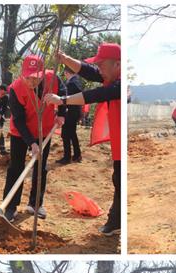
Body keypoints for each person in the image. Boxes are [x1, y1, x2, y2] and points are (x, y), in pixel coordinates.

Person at [47, 43, 121, 236]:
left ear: (117, 65)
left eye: (102, 65)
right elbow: (89, 72)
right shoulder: (109, 75)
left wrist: (62, 100)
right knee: (118, 178)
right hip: (117, 141)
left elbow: (95, 95)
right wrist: (65, 58)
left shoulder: (121, 84)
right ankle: (117, 220)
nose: (100, 70)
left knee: (120, 179)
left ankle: (115, 220)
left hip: (124, 144)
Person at [2, 55, 66, 222]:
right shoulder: (15, 89)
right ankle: (10, 206)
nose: (31, 82)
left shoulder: (53, 78)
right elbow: (19, 120)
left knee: (40, 168)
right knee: (16, 167)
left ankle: (35, 204)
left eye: (35, 78)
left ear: (43, 74)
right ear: (22, 74)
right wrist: (31, 143)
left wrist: (61, 114)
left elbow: (64, 93)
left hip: (44, 130)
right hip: (20, 132)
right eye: (27, 77)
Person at [56, 68, 83, 164]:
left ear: (67, 73)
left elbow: (68, 99)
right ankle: (77, 155)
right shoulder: (76, 81)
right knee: (72, 134)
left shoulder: (72, 83)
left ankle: (67, 157)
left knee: (66, 135)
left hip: (70, 113)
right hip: (74, 112)